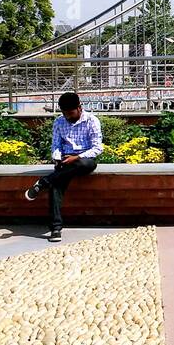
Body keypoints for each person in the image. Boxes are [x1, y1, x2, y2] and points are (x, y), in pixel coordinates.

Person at [24, 92, 102, 242]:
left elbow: (97, 148)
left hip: (83, 160)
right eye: (65, 113)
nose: (67, 116)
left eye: (70, 113)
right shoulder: (59, 122)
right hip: (65, 161)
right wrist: (58, 158)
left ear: (79, 108)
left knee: (83, 163)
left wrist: (77, 157)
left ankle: (43, 182)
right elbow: (56, 145)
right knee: (56, 185)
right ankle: (55, 228)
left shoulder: (92, 121)